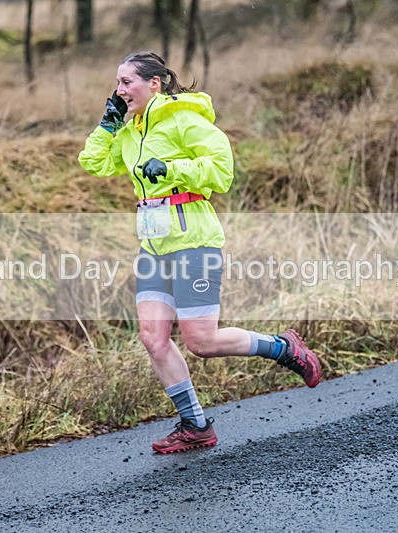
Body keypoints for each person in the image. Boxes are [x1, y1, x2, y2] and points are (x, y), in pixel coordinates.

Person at [78, 51, 322, 454]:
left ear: (154, 84)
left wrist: (173, 171)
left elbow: (222, 170)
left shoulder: (184, 119)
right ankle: (195, 425)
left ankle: (284, 348)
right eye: (117, 83)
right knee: (153, 338)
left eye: (127, 82)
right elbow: (94, 163)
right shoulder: (130, 129)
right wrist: (107, 125)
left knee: (202, 341)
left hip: (194, 241)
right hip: (154, 245)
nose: (119, 90)